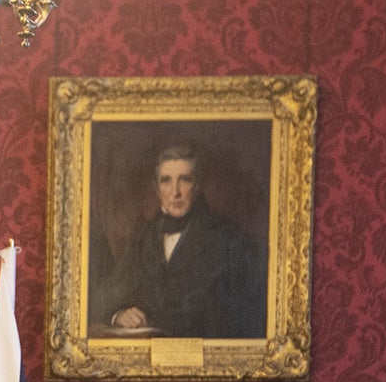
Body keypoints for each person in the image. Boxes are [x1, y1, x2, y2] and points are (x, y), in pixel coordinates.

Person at [94, 145, 264, 343]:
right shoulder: (145, 236)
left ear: (198, 185)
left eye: (184, 180)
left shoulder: (227, 237)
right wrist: (118, 315)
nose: (175, 192)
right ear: (157, 190)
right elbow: (102, 299)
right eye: (166, 181)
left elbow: (246, 317)